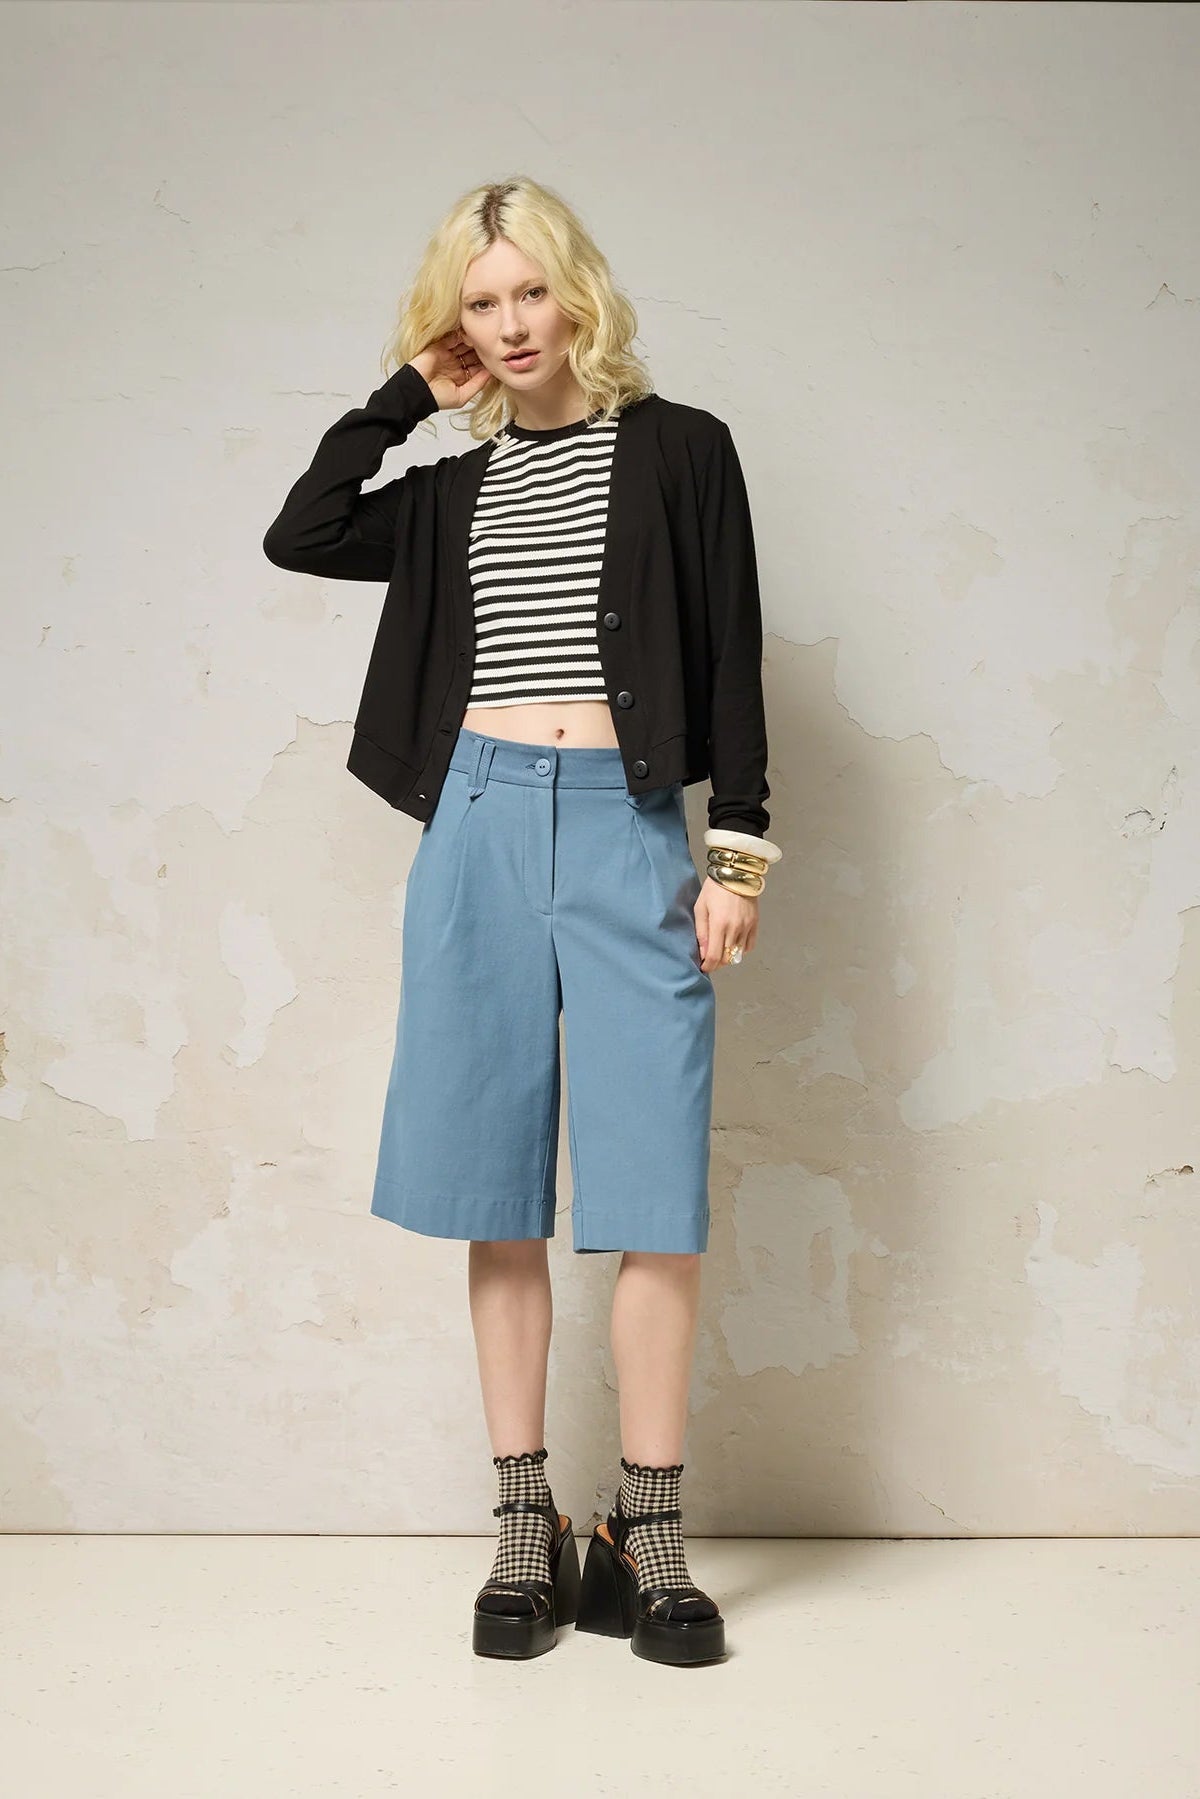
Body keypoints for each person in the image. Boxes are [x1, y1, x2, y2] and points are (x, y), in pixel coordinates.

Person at [262, 175, 783, 1668]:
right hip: (478, 828)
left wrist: (737, 856)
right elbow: (302, 534)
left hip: (628, 833)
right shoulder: (449, 490)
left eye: (529, 292)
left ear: (579, 294)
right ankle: (522, 1525)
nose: (508, 325)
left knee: (653, 1194)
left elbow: (734, 652)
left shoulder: (680, 451)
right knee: (494, 1186)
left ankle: (647, 1530)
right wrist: (403, 398)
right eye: (478, 304)